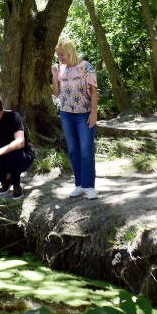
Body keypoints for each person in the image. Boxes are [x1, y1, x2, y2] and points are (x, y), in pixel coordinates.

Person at [51, 38, 99, 200]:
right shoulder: (61, 69)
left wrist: (93, 113)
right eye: (58, 55)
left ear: (70, 52)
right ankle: (79, 185)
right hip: (66, 114)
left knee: (86, 150)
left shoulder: (86, 66)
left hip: (84, 114)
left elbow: (93, 91)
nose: (60, 57)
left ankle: (90, 186)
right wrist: (55, 75)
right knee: (73, 150)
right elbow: (57, 93)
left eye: (62, 54)